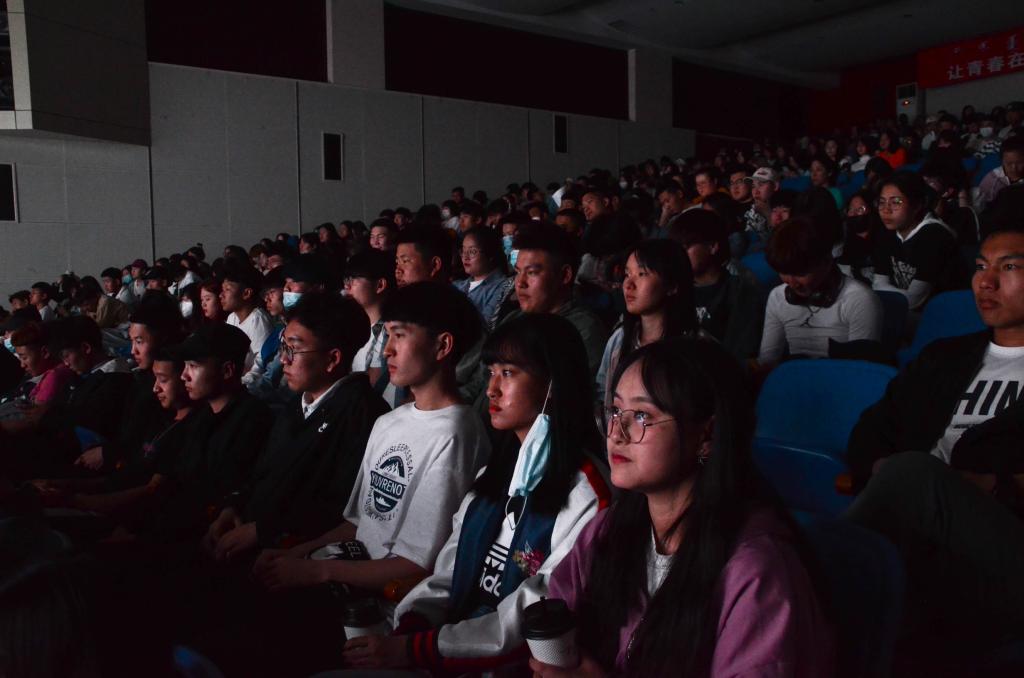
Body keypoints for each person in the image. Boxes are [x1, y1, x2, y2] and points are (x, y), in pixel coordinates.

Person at [530, 338, 834, 677]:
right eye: (615, 411)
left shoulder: (755, 572)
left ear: (707, 435)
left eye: (642, 415)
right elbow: (560, 621)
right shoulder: (608, 528)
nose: (616, 433)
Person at [342, 314, 612, 674]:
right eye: (491, 372)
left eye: (509, 373)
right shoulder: (495, 473)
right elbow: (450, 570)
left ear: (553, 383)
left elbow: (541, 608)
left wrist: (419, 649)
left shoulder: (586, 492)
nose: (491, 390)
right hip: (443, 650)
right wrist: (415, 623)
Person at [845, 226, 1024, 666]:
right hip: (921, 536)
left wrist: (995, 484)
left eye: (1009, 267)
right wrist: (883, 468)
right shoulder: (942, 356)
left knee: (912, 473)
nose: (986, 281)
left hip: (1007, 541)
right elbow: (871, 429)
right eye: (980, 266)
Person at [250, 281, 489, 595]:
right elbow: (358, 525)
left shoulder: (456, 432)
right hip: (347, 573)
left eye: (399, 335)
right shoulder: (388, 422)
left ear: (442, 346)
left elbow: (418, 564)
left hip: (385, 603)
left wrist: (316, 570)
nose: (387, 349)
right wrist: (296, 554)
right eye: (387, 335)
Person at [204, 292, 390, 563]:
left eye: (293, 348)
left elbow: (338, 509)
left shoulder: (364, 415)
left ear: (333, 359)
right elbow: (263, 474)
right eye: (283, 347)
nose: (283, 359)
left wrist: (262, 531)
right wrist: (233, 507)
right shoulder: (296, 405)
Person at [140, 323, 273, 541]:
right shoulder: (201, 416)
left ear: (227, 370)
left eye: (193, 366)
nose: (184, 376)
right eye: (185, 366)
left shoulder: (254, 421)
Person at [759, 217, 883, 367]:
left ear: (826, 261)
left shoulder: (860, 299)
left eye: (800, 273)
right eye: (784, 272)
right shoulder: (777, 297)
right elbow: (768, 362)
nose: (792, 283)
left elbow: (860, 370)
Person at [596, 240, 697, 412]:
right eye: (627, 274)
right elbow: (602, 392)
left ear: (672, 285)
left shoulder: (696, 347)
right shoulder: (620, 339)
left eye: (641, 274)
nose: (628, 284)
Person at [508, 224, 608, 376]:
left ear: (565, 275)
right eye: (518, 272)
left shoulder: (583, 331)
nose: (520, 283)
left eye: (532, 272)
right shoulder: (513, 319)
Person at [671, 210, 764, 363]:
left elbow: (739, 351)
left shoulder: (740, 291)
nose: (679, 255)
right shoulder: (674, 290)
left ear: (712, 246)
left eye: (686, 247)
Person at [871, 172, 964, 311]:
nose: (886, 210)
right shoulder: (887, 229)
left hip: (944, 311)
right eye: (882, 202)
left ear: (916, 205)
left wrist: (887, 294)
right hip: (903, 309)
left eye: (896, 202)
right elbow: (878, 284)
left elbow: (914, 300)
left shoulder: (935, 235)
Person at [220, 263, 274, 381]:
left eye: (227, 289)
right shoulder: (232, 318)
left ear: (246, 293)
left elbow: (261, 366)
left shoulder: (259, 320)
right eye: (222, 290)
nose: (221, 295)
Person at [453, 226, 510, 328]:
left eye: (472, 251)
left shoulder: (503, 287)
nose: (465, 257)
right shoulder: (457, 285)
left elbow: (485, 325)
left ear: (490, 254)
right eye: (463, 250)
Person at [976, 134, 1024, 214]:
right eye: (1009, 163)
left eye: (1019, 163)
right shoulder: (992, 180)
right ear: (1001, 161)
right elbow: (983, 207)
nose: (1014, 168)